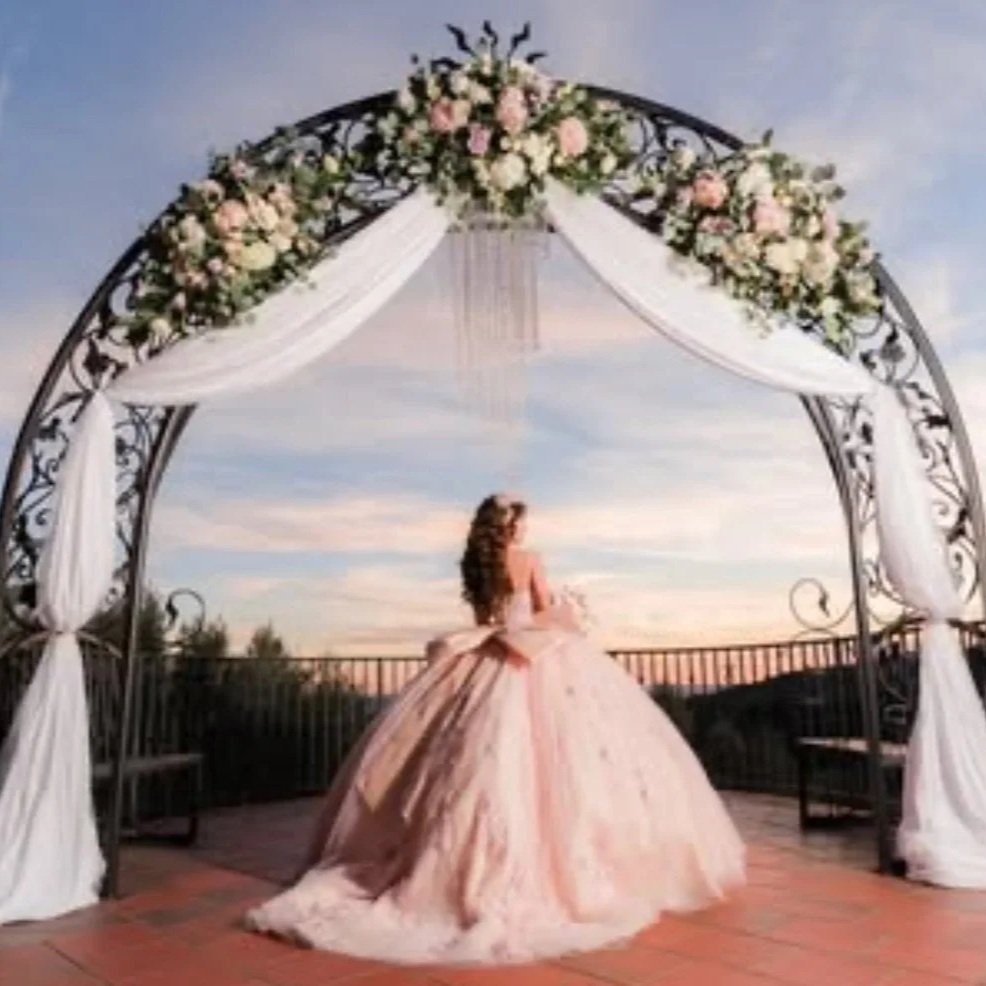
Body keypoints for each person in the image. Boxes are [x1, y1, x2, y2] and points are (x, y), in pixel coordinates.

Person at [245, 493, 745, 965]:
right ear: (510, 526)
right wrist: (572, 609)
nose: (524, 527)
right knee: (551, 762)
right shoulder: (529, 559)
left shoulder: (476, 565)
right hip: (528, 660)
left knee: (464, 764)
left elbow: (489, 617)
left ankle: (445, 868)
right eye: (520, 520)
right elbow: (542, 611)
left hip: (482, 659)